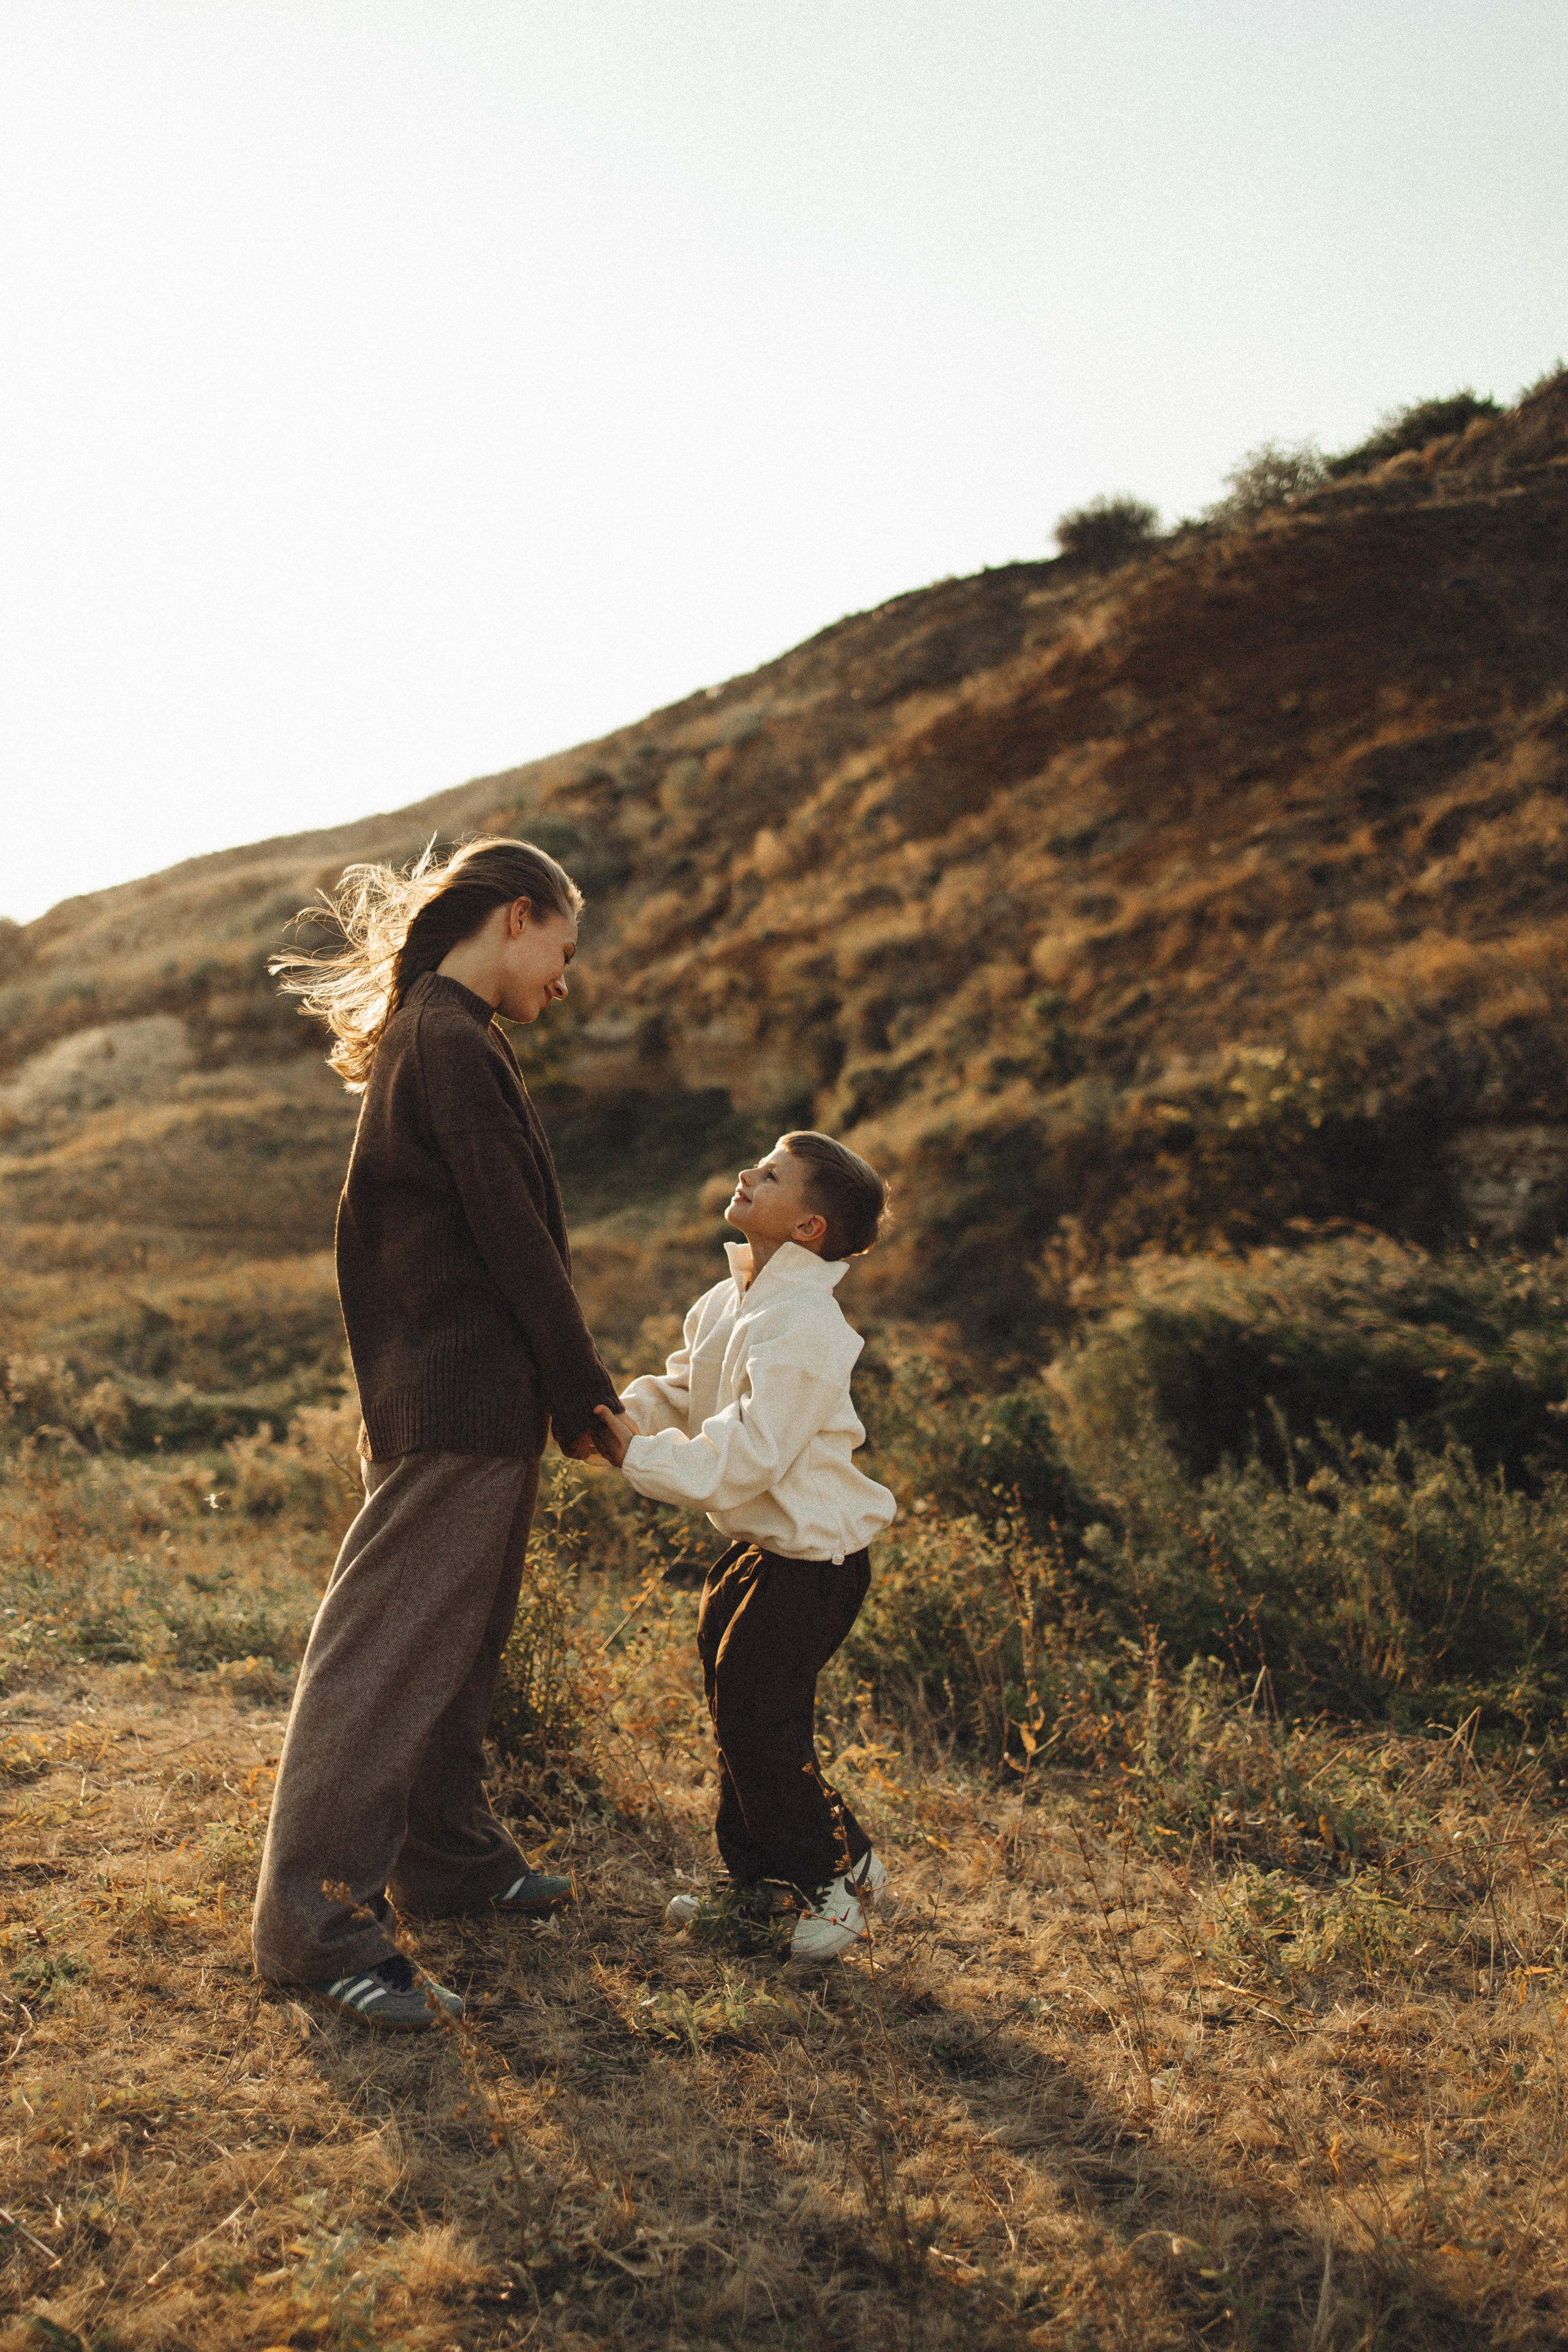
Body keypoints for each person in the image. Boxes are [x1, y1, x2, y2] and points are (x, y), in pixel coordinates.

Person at [251, 837, 621, 2030]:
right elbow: (513, 1234)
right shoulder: (450, 1037)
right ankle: (313, 1930)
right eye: (560, 950)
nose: (563, 981)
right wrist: (581, 1390)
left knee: (456, 1648)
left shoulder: (447, 1033)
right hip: (453, 1399)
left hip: (472, 1402)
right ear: (517, 919)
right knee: (384, 1659)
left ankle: (449, 1859)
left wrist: (549, 1396)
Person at [591, 1133, 897, 1960]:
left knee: (763, 1721)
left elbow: (753, 1450)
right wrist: (619, 1420)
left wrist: (639, 1458)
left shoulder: (808, 1326)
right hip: (758, 1551)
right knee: (738, 1716)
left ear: (808, 1228)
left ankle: (835, 1882)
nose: (746, 1175)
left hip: (816, 1561)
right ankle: (761, 1887)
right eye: (756, 1165)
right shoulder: (730, 1299)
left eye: (770, 1176)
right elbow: (688, 1389)